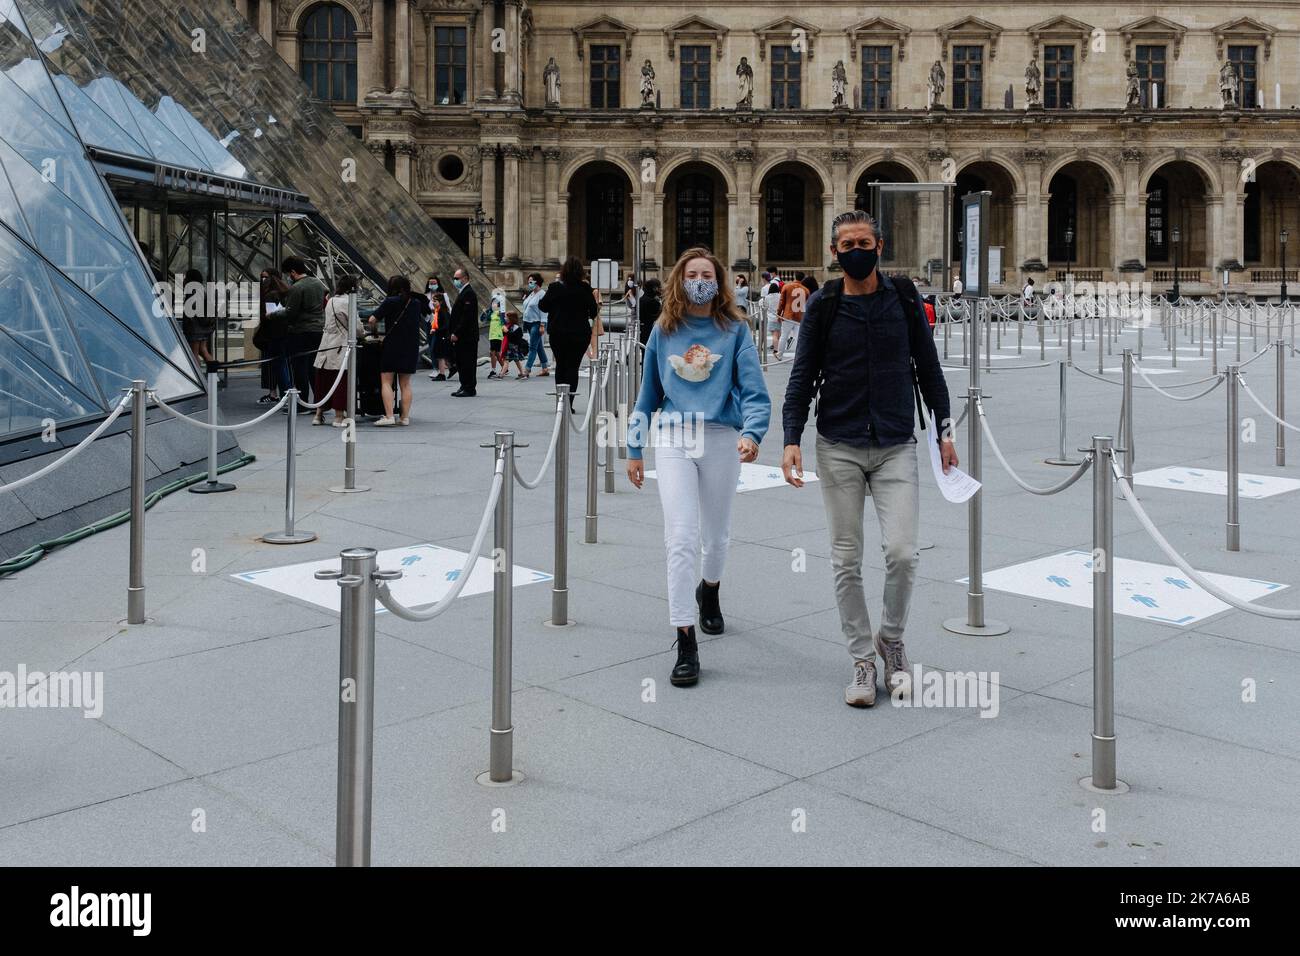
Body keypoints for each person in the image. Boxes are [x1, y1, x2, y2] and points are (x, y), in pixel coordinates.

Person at [782, 209, 956, 708]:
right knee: (845, 559)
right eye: (846, 243)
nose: (855, 250)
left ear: (879, 246)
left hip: (897, 441)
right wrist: (791, 436)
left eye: (864, 241)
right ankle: (861, 657)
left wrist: (944, 429)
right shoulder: (823, 306)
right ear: (834, 252)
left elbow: (928, 367)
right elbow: (802, 374)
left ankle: (892, 640)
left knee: (902, 552)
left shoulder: (903, 298)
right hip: (838, 444)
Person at [627, 247, 771, 687]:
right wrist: (634, 446)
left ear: (719, 280)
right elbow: (648, 394)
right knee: (681, 538)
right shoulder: (663, 330)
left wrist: (753, 431)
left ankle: (710, 590)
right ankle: (685, 639)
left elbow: (753, 390)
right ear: (679, 280)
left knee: (716, 536)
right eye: (692, 274)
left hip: (721, 437)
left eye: (707, 273)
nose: (699, 280)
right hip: (674, 437)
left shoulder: (734, 331)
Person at [539, 256, 602, 410]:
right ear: (581, 272)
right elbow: (593, 312)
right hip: (579, 334)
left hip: (558, 333)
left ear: (564, 272)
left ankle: (560, 402)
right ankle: (569, 404)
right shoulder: (585, 288)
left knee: (561, 365)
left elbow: (542, 306)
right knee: (573, 367)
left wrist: (556, 309)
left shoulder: (555, 288)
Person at [367, 275, 430, 425]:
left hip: (392, 345)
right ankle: (404, 418)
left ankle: (389, 416)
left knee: (386, 381)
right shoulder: (415, 302)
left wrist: (375, 332)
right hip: (411, 346)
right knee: (406, 384)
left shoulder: (390, 301)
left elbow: (371, 319)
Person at [312, 275, 361, 427]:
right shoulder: (348, 302)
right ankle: (339, 416)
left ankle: (318, 415)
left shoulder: (331, 300)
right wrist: (363, 334)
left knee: (323, 381)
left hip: (326, 345)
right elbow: (357, 328)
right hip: (341, 346)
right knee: (340, 380)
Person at [280, 256, 328, 409]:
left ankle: (302, 403)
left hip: (300, 332)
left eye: (288, 274)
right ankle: (320, 402)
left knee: (299, 367)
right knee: (314, 367)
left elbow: (290, 313)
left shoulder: (297, 287)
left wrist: (273, 314)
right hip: (318, 330)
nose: (288, 277)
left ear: (293, 272)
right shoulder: (318, 284)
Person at [254, 269, 291, 404]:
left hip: (274, 335)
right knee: (284, 365)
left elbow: (270, 316)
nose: (263, 280)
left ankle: (284, 395)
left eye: (265, 278)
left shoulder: (270, 295)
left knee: (278, 365)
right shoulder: (286, 292)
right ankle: (285, 393)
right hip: (285, 334)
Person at [448, 267, 480, 397]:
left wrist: (456, 333)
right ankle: (464, 385)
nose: (455, 281)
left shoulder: (469, 293)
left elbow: (466, 317)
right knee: (461, 362)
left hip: (467, 337)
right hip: (463, 337)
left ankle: (469, 388)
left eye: (457, 278)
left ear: (465, 278)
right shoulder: (463, 292)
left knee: (467, 363)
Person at [180, 268, 216, 366]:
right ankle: (213, 374)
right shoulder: (202, 290)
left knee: (194, 354)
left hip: (195, 329)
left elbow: (193, 310)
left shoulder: (192, 292)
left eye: (185, 278)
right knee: (203, 351)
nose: (183, 280)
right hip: (204, 327)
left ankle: (197, 379)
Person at [522, 273, 550, 378]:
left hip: (537, 323)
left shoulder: (542, 294)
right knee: (539, 347)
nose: (529, 283)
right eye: (528, 281)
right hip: (529, 322)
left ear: (537, 282)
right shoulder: (532, 293)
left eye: (531, 282)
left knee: (532, 347)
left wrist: (542, 324)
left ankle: (527, 370)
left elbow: (544, 310)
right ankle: (545, 368)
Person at [425, 275, 453, 380]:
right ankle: (436, 368)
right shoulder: (426, 295)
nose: (432, 285)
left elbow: (448, 308)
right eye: (430, 283)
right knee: (432, 345)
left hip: (440, 324)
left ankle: (444, 368)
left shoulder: (443, 295)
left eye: (434, 283)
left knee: (436, 346)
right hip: (430, 322)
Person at [774, 270, 806, 359]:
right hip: (800, 316)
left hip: (788, 315)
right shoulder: (806, 290)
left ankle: (779, 355)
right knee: (798, 337)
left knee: (784, 335)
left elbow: (782, 302)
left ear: (794, 277)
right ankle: (798, 356)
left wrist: (778, 313)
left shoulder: (787, 286)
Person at [501, 311, 528, 378]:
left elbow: (515, 337)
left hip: (514, 347)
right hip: (508, 347)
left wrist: (507, 331)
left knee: (512, 360)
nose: (505, 318)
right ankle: (521, 373)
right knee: (509, 360)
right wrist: (504, 331)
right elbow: (505, 335)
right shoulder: (508, 326)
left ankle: (501, 375)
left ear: (511, 318)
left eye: (506, 317)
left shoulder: (517, 328)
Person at [486, 293, 506, 379]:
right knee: (497, 354)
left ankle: (493, 371)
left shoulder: (500, 313)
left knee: (492, 352)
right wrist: (486, 312)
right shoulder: (492, 313)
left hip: (497, 335)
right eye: (492, 302)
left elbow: (504, 322)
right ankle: (505, 368)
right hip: (492, 335)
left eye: (495, 302)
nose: (493, 304)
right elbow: (483, 319)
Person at [638, 278, 662, 347]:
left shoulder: (641, 299)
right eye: (659, 287)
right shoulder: (653, 302)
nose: (660, 289)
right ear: (654, 288)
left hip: (642, 330)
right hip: (650, 331)